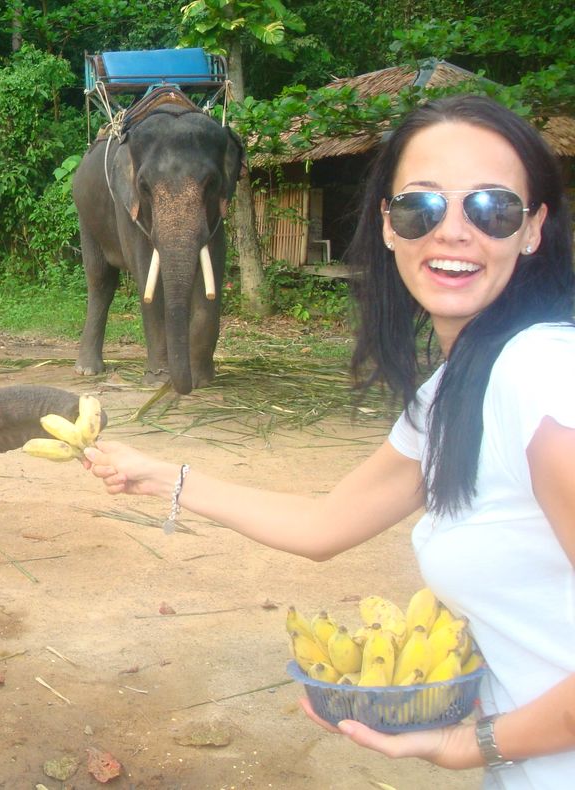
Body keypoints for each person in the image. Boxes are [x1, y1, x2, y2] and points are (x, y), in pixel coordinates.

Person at [82, 94, 575, 788]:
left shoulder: (541, 374)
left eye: (492, 208)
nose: (454, 232)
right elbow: (324, 526)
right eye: (421, 208)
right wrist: (160, 475)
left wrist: (476, 744)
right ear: (388, 227)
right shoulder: (457, 393)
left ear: (533, 230)